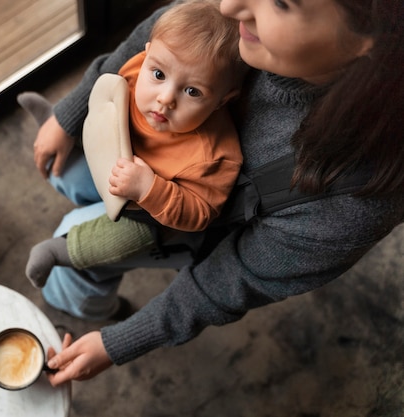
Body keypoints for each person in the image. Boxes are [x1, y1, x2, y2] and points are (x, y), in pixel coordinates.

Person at [28, 0, 404, 386]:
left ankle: (90, 305)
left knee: (75, 241)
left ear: (369, 40)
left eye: (280, 2)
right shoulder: (243, 17)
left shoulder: (355, 198)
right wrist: (68, 115)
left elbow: (231, 279)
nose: (228, 4)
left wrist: (118, 341)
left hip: (191, 218)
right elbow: (153, 39)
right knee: (71, 173)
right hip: (136, 151)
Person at [22, 1, 246, 289]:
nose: (165, 98)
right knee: (69, 167)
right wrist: (69, 122)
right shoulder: (138, 68)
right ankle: (55, 127)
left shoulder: (214, 156)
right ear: (147, 52)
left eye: (192, 91)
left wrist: (149, 189)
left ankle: (59, 251)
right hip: (114, 154)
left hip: (150, 216)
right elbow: (104, 94)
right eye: (159, 74)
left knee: (118, 240)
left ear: (222, 100)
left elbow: (199, 213)